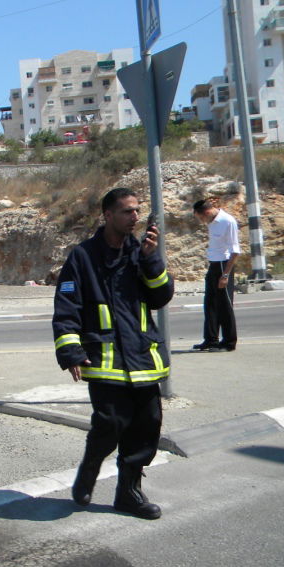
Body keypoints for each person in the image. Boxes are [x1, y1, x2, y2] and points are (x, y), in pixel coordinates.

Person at [52, 187, 173, 520]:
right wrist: (71, 351)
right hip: (104, 359)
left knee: (147, 426)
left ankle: (128, 494)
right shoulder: (83, 256)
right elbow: (66, 306)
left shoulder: (140, 252)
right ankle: (91, 466)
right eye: (126, 212)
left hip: (142, 358)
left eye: (136, 211)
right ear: (108, 215)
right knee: (110, 424)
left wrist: (151, 258)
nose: (134, 217)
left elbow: (161, 297)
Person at [192, 198, 240, 352]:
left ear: (206, 212)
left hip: (223, 264)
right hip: (213, 264)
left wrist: (225, 275)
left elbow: (235, 251)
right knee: (210, 304)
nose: (201, 221)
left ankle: (229, 342)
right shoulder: (212, 222)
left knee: (224, 305)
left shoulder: (227, 221)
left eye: (200, 218)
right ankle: (211, 339)